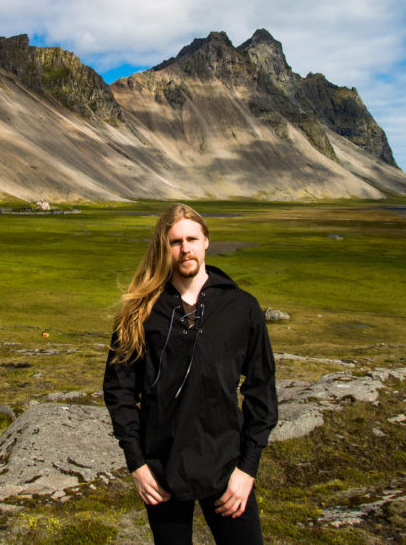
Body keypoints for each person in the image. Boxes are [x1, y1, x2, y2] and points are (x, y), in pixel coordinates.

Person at [103, 203, 278, 544]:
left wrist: (247, 469)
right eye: (175, 241)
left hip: (227, 471)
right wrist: (137, 464)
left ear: (206, 242)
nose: (185, 248)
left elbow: (262, 390)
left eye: (192, 239)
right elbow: (119, 390)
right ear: (163, 248)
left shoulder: (242, 308)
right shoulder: (140, 312)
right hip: (162, 473)